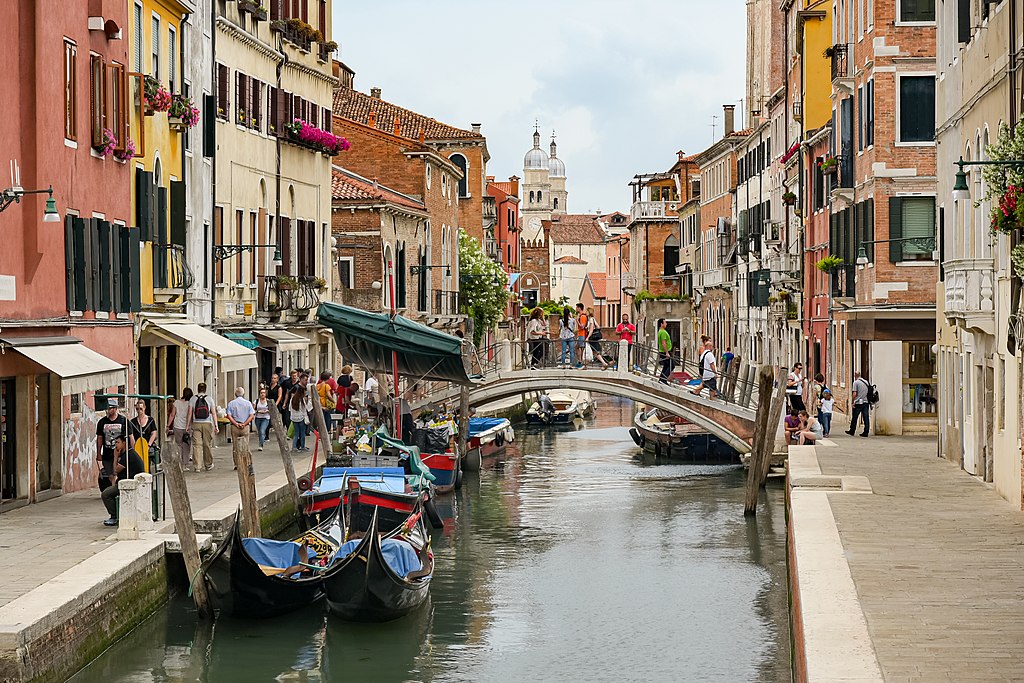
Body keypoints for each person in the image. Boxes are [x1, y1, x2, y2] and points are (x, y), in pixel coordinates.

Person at [100, 434, 145, 527]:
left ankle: (114, 515)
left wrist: (115, 456)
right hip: (124, 482)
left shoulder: (128, 455)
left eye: (118, 442)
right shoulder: (126, 453)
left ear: (124, 443)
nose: (116, 445)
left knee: (106, 494)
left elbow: (115, 470)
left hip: (129, 484)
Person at [96, 399, 135, 491]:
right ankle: (114, 490)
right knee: (111, 475)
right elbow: (100, 438)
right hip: (107, 453)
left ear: (115, 409)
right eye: (107, 408)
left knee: (117, 474)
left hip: (121, 453)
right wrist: (98, 453)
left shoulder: (124, 421)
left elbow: (131, 437)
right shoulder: (102, 422)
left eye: (109, 408)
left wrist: (132, 452)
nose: (108, 410)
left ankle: (114, 490)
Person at [188, 382, 219, 471]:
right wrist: (216, 425)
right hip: (207, 423)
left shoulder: (193, 399)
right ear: (205, 389)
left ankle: (197, 466)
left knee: (196, 445)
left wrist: (188, 425)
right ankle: (208, 464)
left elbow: (190, 413)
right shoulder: (209, 399)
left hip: (196, 423)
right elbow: (213, 413)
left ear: (197, 389)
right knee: (207, 444)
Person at [226, 387, 255, 469]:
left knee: (235, 446)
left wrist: (236, 423)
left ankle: (236, 464)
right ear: (243, 394)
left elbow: (229, 415)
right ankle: (247, 462)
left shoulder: (231, 403)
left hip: (235, 426)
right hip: (245, 426)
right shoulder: (248, 403)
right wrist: (245, 424)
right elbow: (251, 415)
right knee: (246, 445)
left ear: (235, 394)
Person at [167, 388, 193, 470]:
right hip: (187, 427)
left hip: (177, 426)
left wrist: (168, 425)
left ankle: (179, 464)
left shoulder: (176, 402)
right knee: (186, 446)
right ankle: (185, 464)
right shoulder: (190, 403)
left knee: (179, 445)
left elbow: (172, 415)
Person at [129, 398, 157, 470]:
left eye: (141, 408)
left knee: (147, 466)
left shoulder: (150, 420)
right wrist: (134, 448)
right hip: (137, 446)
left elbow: (154, 433)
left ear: (144, 408)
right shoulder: (132, 421)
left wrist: (148, 445)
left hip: (147, 446)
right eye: (137, 409)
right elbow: (131, 436)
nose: (139, 411)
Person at [847, 371, 871, 437]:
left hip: (858, 403)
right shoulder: (866, 382)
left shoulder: (856, 382)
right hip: (866, 402)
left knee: (855, 417)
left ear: (855, 375)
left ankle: (852, 430)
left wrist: (852, 401)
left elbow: (854, 393)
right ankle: (866, 431)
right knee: (866, 417)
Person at [289, 385, 312, 451]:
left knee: (296, 433)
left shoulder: (292, 399)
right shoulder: (302, 400)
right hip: (301, 418)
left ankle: (294, 447)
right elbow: (306, 409)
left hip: (294, 418)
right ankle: (302, 446)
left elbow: (290, 409)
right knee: (302, 433)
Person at [252, 386, 271, 451]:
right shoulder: (256, 401)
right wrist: (257, 411)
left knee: (262, 430)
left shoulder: (268, 401)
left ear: (266, 394)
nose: (262, 394)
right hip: (258, 418)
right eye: (261, 393)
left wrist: (267, 411)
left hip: (266, 418)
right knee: (260, 432)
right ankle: (262, 440)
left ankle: (261, 445)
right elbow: (252, 410)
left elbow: (272, 410)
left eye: (264, 393)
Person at [656, 318, 673, 384]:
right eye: (665, 323)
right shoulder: (662, 332)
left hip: (663, 351)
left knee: (666, 365)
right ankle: (663, 379)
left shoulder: (660, 331)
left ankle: (661, 379)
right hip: (665, 351)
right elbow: (664, 343)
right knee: (672, 365)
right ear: (661, 324)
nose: (666, 324)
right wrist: (667, 352)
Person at [575, 303, 589, 368]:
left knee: (578, 348)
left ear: (579, 308)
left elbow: (582, 326)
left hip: (582, 334)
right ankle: (581, 361)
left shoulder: (582, 316)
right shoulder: (582, 316)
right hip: (581, 334)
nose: (576, 309)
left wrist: (577, 320)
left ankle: (580, 361)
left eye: (576, 307)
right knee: (580, 348)